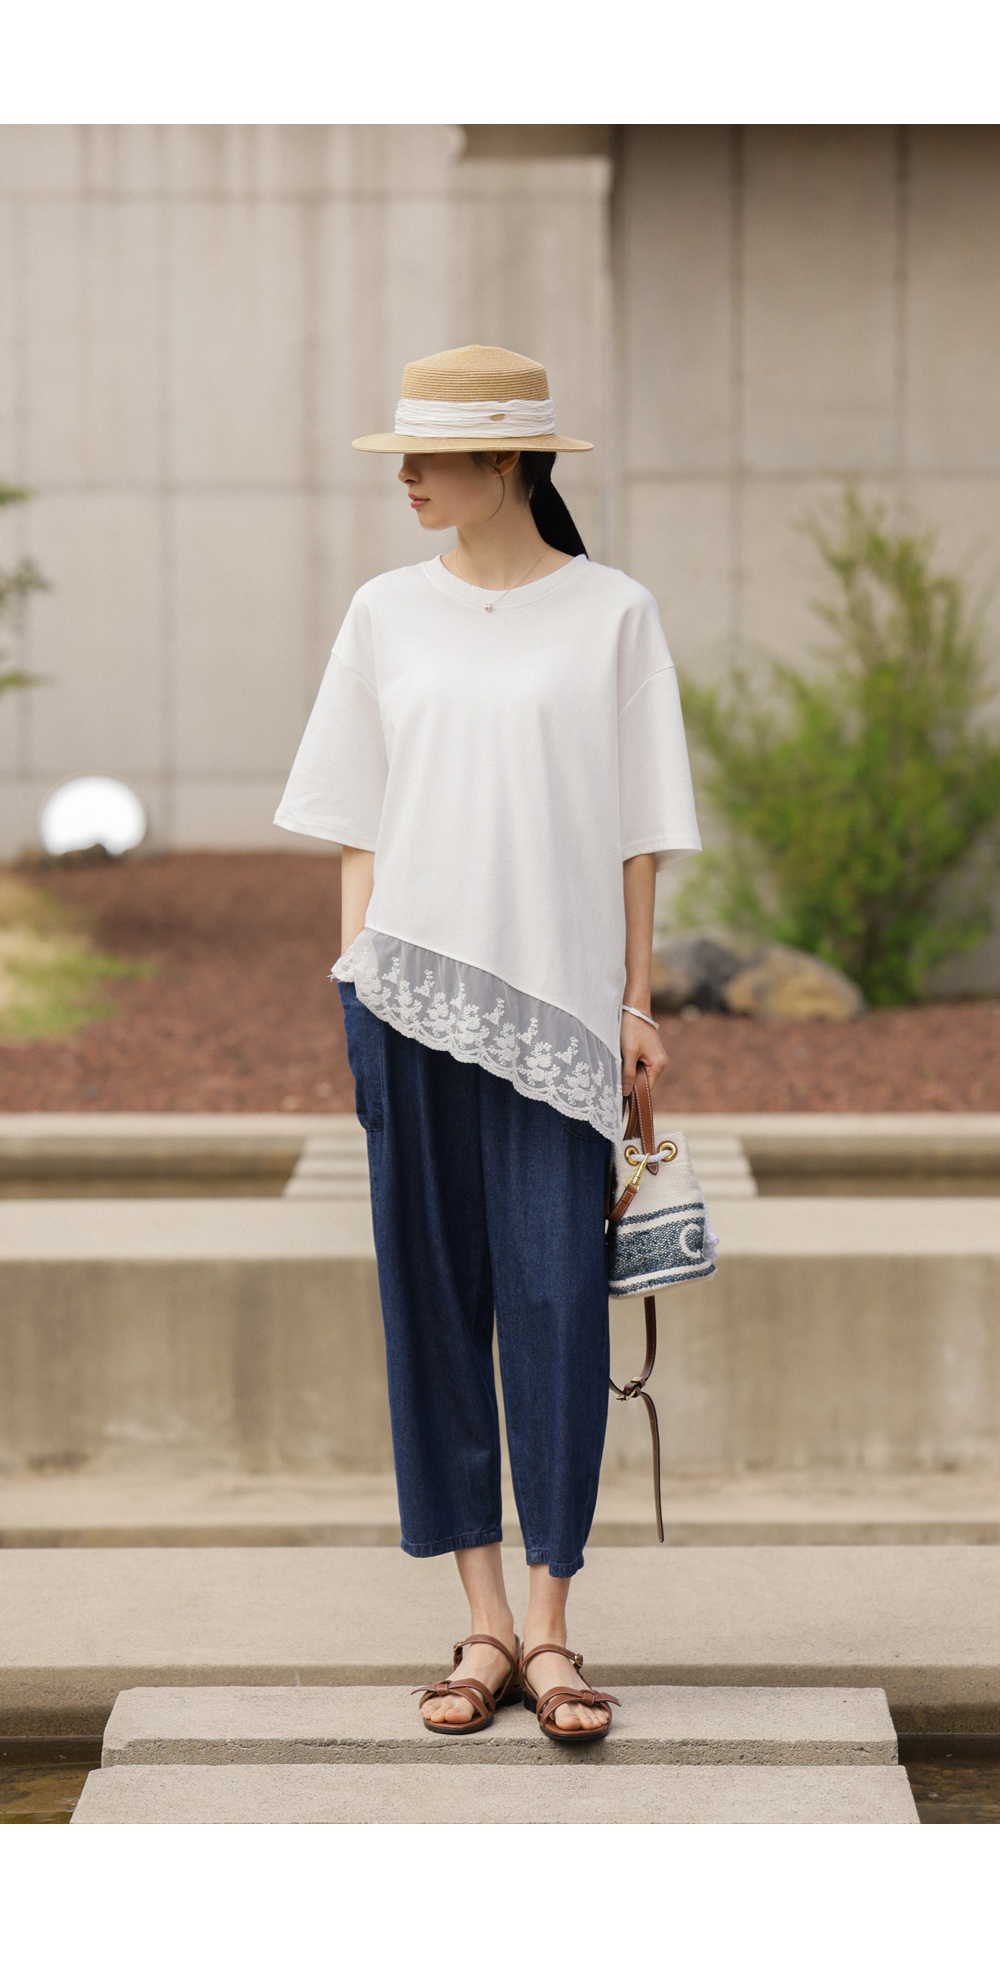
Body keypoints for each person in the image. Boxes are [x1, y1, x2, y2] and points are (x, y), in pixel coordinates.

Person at [275, 344, 701, 1743]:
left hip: (559, 1018)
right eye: (401, 454)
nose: (405, 477)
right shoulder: (384, 615)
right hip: (404, 1003)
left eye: (430, 455)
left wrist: (635, 1001)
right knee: (434, 1305)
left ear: (507, 460)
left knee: (558, 1308)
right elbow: (356, 826)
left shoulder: (614, 614)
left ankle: (555, 1625)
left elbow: (640, 833)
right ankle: (483, 1626)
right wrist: (355, 992)